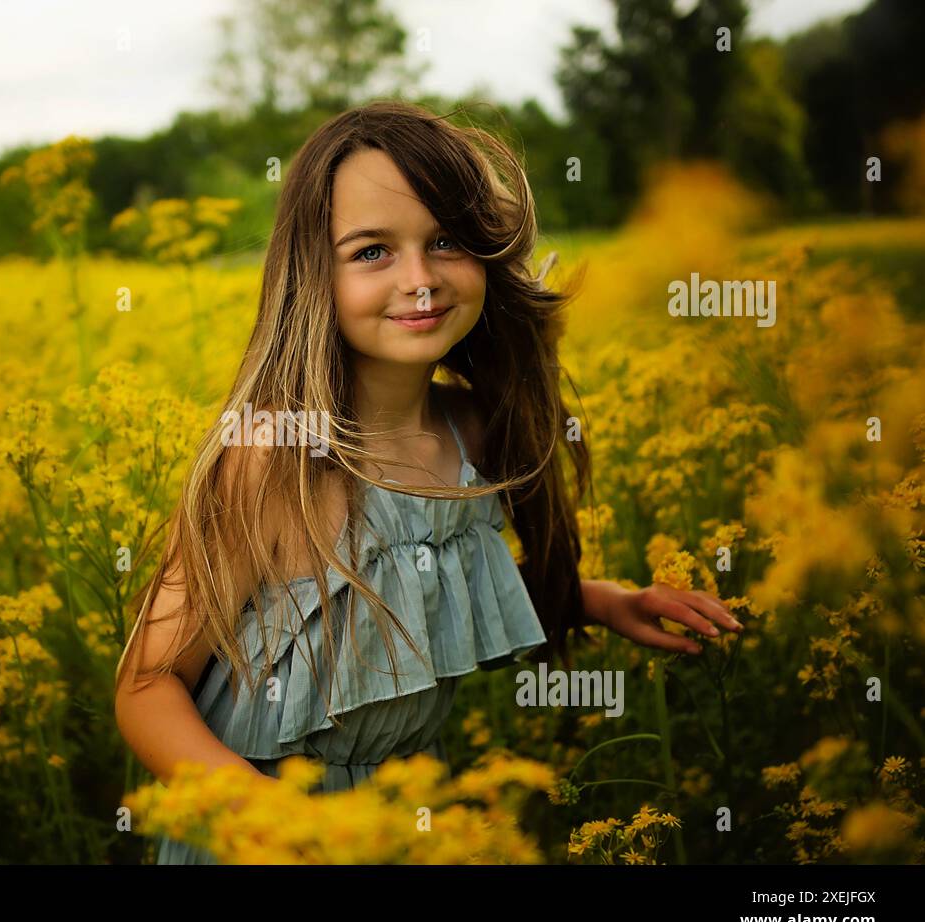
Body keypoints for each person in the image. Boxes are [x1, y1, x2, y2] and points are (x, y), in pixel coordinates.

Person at [113, 100, 741, 865]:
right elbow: (146, 689)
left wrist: (600, 600)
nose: (420, 280)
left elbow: (422, 587)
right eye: (373, 251)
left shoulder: (468, 429)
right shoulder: (273, 458)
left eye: (444, 240)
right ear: (312, 276)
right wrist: (270, 823)